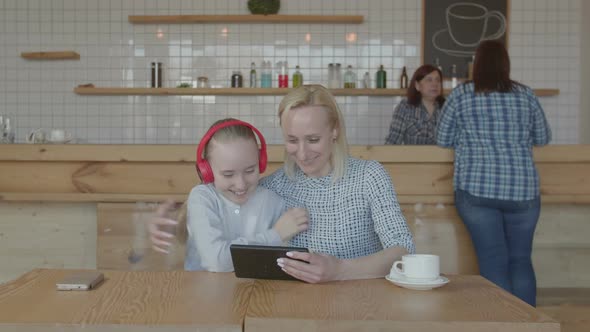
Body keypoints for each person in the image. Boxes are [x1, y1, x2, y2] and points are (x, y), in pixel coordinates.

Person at [150, 85, 415, 283]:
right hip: (291, 308)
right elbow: (221, 212)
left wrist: (340, 270)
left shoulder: (370, 176)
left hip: (363, 304)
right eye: (292, 140)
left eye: (312, 140)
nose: (301, 153)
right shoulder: (273, 187)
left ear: (334, 131)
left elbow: (403, 250)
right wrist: (174, 220)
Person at [436, 40, 551, 306]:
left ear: (476, 65)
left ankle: (502, 324)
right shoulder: (526, 95)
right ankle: (529, 325)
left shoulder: (462, 95)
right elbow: (543, 137)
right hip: (523, 192)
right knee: (521, 260)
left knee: (493, 261)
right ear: (505, 66)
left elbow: (442, 138)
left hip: (477, 190)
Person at [150, 118, 308, 272]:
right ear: (207, 171)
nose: (241, 184)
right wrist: (275, 235)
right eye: (228, 174)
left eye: (250, 170)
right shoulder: (202, 197)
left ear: (261, 162)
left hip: (257, 292)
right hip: (203, 293)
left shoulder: (273, 201)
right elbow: (217, 261)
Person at [385, 64, 445, 145]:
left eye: (438, 80)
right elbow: (393, 141)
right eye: (429, 80)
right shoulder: (406, 106)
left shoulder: (447, 108)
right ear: (417, 86)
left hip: (442, 158)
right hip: (412, 158)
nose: (435, 84)